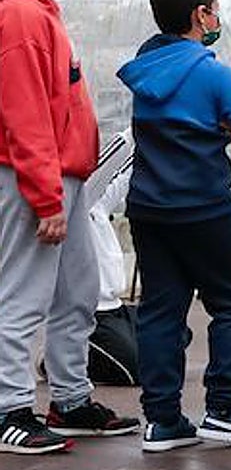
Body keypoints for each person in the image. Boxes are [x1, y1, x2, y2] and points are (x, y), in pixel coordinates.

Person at [118, 0, 231, 451]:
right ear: (200, 14)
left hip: (149, 208)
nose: (218, 18)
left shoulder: (143, 70)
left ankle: (163, 420)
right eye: (214, 9)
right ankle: (224, 410)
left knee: (160, 311)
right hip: (205, 209)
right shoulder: (213, 74)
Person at [0, 0, 139, 454]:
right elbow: (25, 114)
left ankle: (70, 399)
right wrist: (45, 195)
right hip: (37, 180)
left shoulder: (42, 14)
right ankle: (10, 407)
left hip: (65, 181)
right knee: (22, 294)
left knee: (77, 290)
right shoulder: (21, 16)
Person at [84, 129, 138, 385]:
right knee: (135, 371)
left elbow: (124, 174)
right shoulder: (79, 198)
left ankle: (69, 356)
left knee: (177, 335)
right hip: (93, 314)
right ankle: (62, 359)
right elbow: (109, 162)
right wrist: (139, 125)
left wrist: (155, 138)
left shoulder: (99, 203)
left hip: (117, 308)